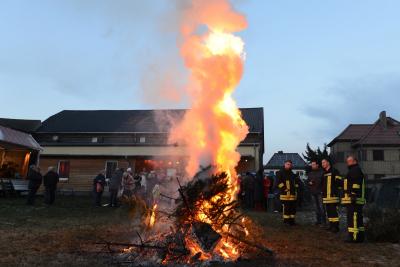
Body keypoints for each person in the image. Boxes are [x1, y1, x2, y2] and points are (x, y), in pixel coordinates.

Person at [343, 156, 366, 243]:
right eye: (347, 161)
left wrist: (353, 194)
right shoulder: (355, 170)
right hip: (356, 199)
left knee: (353, 218)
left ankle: (353, 237)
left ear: (355, 161)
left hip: (354, 199)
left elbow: (355, 184)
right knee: (358, 218)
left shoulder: (355, 170)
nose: (348, 163)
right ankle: (360, 236)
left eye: (349, 161)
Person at [321, 158, 342, 233]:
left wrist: (336, 191)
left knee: (333, 211)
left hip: (333, 196)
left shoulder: (335, 171)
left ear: (328, 163)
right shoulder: (323, 173)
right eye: (322, 163)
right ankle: (331, 225)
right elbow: (322, 184)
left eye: (324, 162)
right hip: (326, 196)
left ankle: (336, 227)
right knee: (329, 212)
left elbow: (339, 182)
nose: (322, 164)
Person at [277, 160, 300, 225]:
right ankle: (286, 221)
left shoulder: (292, 173)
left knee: (293, 208)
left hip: (292, 195)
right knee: (286, 208)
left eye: (290, 164)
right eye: (287, 164)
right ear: (284, 164)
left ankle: (292, 221)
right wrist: (284, 189)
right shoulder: (280, 172)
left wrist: (296, 187)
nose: (289, 165)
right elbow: (278, 182)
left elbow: (294, 183)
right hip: (285, 194)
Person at [306, 160, 326, 225]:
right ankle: (318, 220)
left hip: (320, 193)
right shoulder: (310, 173)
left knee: (321, 207)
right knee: (316, 207)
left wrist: (322, 190)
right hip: (313, 193)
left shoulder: (322, 173)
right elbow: (307, 182)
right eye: (312, 165)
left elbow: (324, 183)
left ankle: (323, 221)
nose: (312, 166)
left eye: (313, 164)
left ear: (317, 165)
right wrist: (309, 183)